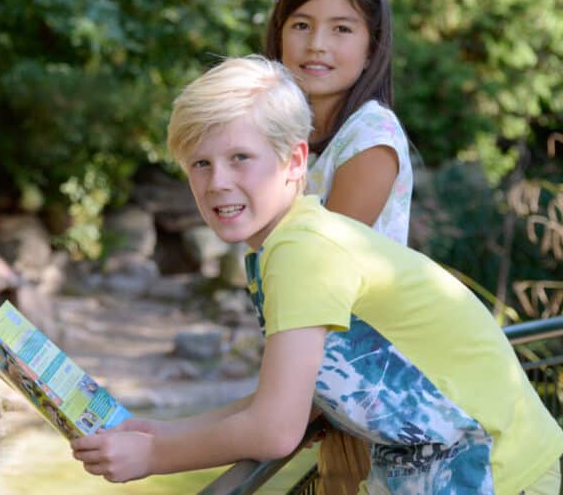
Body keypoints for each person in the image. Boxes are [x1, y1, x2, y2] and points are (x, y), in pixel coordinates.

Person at [70, 55, 563, 494]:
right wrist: (160, 431)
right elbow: (289, 401)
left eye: (240, 157)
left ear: (294, 161)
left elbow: (276, 429)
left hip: (502, 470)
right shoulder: (289, 241)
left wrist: (155, 458)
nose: (218, 182)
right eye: (200, 163)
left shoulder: (302, 251)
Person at [264, 0, 412, 489]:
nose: (316, 44)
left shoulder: (370, 139)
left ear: (372, 44)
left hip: (377, 397)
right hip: (331, 387)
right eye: (301, 25)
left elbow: (319, 286)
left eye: (341, 29)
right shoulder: (289, 141)